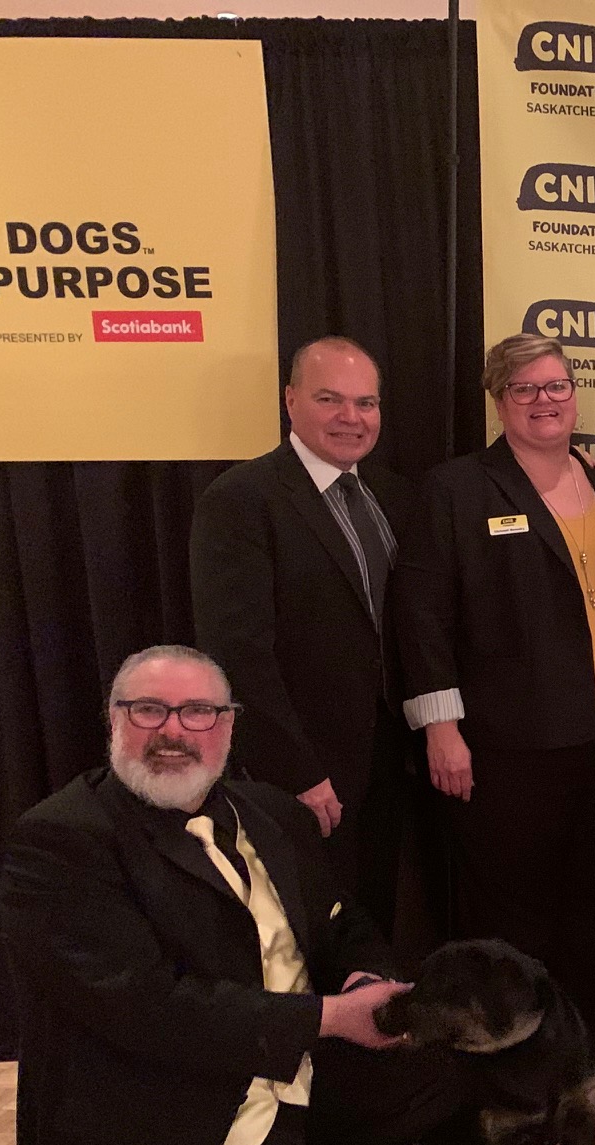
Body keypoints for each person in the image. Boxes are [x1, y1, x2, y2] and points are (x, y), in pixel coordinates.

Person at [0, 646, 436, 1145]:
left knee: (459, 1061)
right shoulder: (62, 841)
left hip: (294, 1067)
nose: (174, 730)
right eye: (149, 709)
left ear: (228, 728)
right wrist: (328, 1018)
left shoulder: (265, 812)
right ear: (113, 721)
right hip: (184, 1114)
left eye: (198, 711)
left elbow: (340, 921)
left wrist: (361, 978)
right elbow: (152, 1009)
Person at [392, 333, 595, 1104]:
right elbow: (422, 615)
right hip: (506, 746)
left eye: (557, 385)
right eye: (526, 388)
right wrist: (441, 726)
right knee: (513, 920)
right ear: (499, 401)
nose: (546, 400)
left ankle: (585, 1055)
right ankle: (512, 1077)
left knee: (589, 906)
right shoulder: (458, 489)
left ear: (576, 393)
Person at [190, 336, 410, 932]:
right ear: (291, 401)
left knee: (378, 925)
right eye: (329, 399)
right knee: (311, 932)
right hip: (305, 777)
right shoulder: (241, 500)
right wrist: (297, 773)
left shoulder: (391, 494)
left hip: (395, 762)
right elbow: (237, 654)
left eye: (366, 403)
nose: (351, 418)